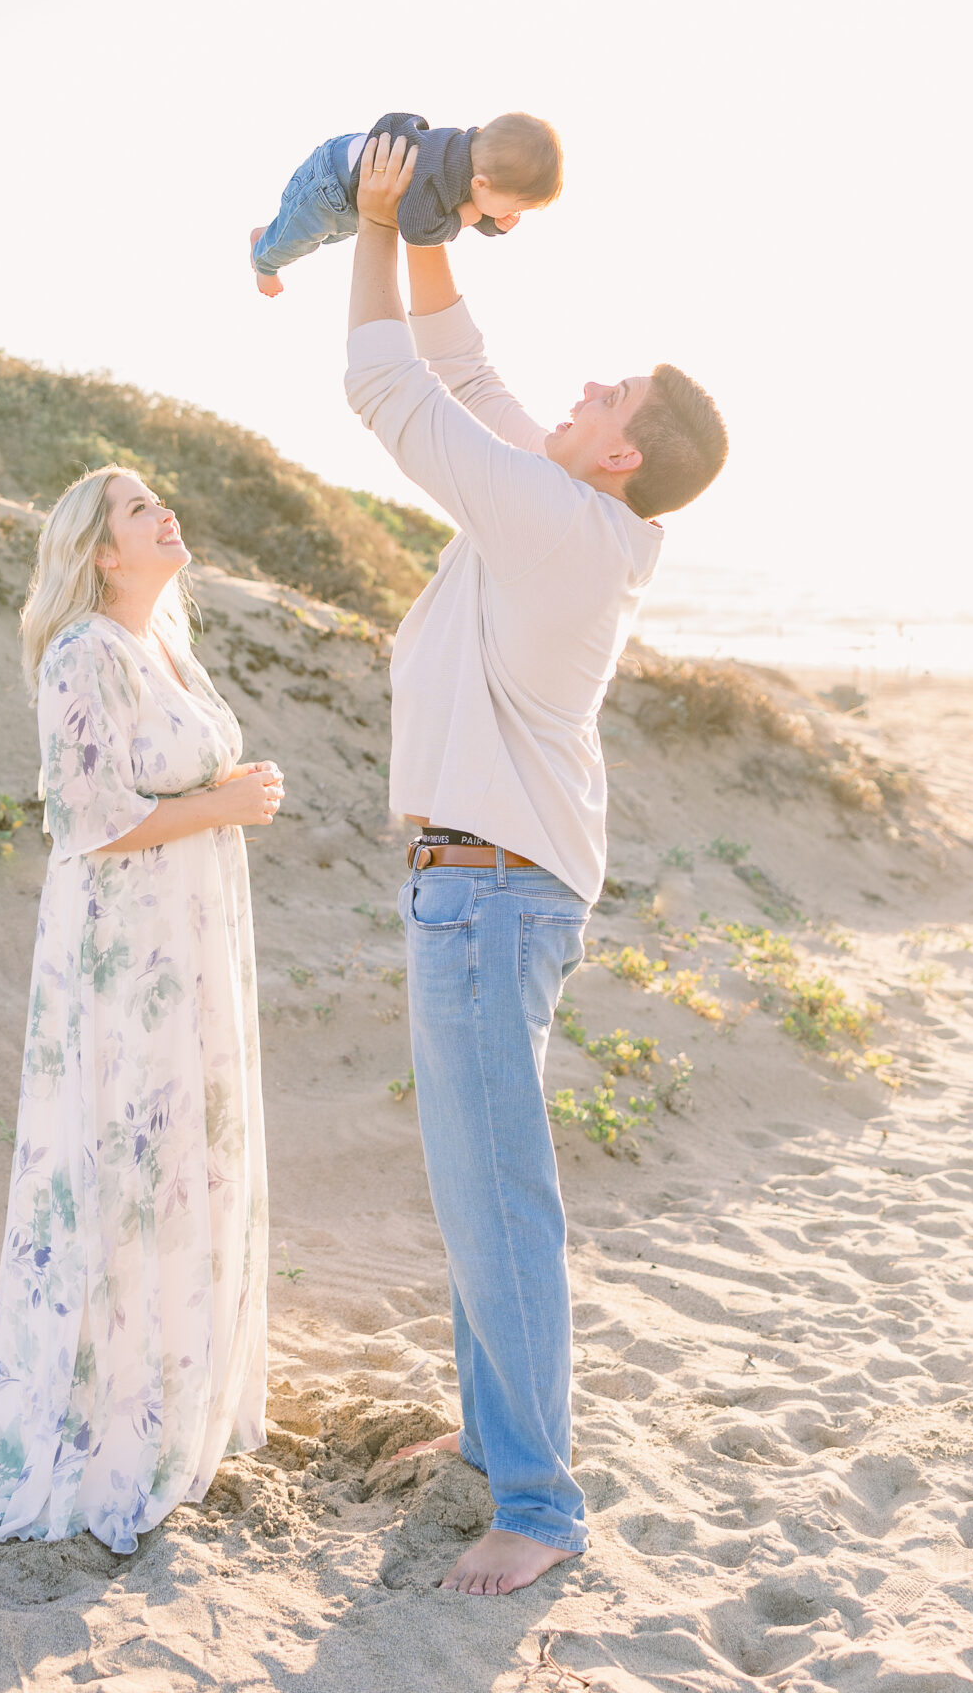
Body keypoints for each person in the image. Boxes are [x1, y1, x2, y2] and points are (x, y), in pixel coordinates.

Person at [342, 133, 728, 1597]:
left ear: (619, 454)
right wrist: (440, 218)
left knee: (496, 1192)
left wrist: (374, 223)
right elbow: (462, 363)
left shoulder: (559, 523)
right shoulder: (563, 505)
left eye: (604, 395)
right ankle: (491, 1454)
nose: (577, 392)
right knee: (472, 1182)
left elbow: (386, 384)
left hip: (490, 893)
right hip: (488, 887)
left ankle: (538, 1507)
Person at [0, 465, 286, 1556]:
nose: (164, 513)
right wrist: (223, 803)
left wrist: (223, 803)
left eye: (160, 501)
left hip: (186, 942)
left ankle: (170, 1391)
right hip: (123, 946)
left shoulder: (162, 646)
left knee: (186, 1154)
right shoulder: (82, 653)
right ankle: (99, 1420)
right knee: (124, 1161)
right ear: (100, 549)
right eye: (139, 509)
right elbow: (89, 818)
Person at [250, 108, 562, 296]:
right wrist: (466, 219)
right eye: (515, 206)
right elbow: (418, 230)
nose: (513, 213)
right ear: (481, 184)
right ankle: (264, 261)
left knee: (324, 236)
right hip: (331, 186)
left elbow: (469, 203)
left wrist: (493, 223)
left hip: (345, 165)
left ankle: (270, 233)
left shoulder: (464, 154)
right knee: (302, 240)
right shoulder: (438, 177)